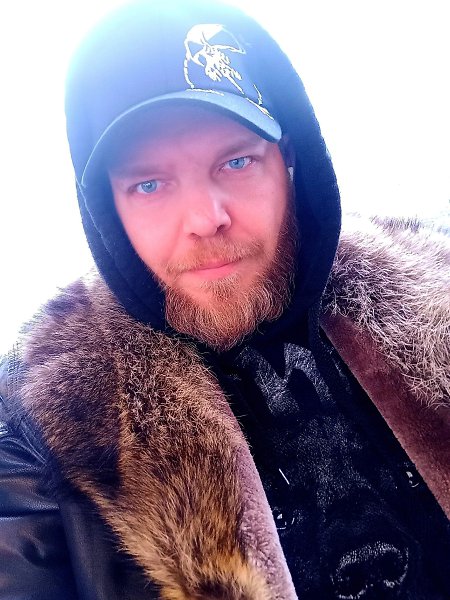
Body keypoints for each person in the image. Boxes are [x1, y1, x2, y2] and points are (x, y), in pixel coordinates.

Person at [0, 0, 449, 598]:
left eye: (236, 161)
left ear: (289, 162)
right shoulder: (32, 433)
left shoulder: (437, 298)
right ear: (108, 209)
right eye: (150, 184)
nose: (205, 218)